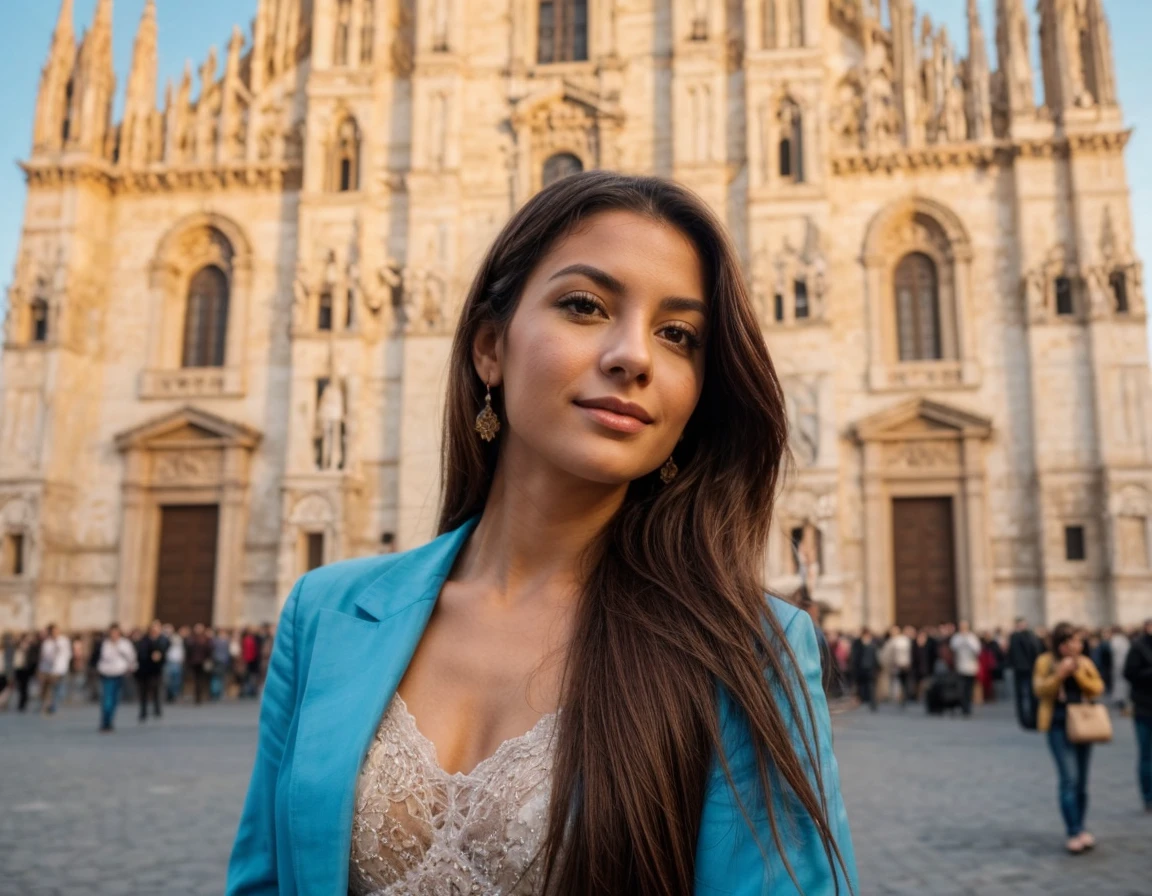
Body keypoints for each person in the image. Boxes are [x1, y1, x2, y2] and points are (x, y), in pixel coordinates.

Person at [226, 173, 857, 895]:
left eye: (677, 334)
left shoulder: (744, 653)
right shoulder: (327, 615)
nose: (634, 356)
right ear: (489, 348)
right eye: (585, 306)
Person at [1033, 622, 1105, 854]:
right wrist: (1058, 675)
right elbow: (1039, 690)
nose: (1080, 644)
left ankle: (1082, 827)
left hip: (1083, 724)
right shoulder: (1044, 662)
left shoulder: (1084, 662)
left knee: (1082, 782)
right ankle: (1073, 831)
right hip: (1057, 724)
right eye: (1075, 641)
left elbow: (1097, 688)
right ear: (1062, 645)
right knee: (1069, 779)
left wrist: (1077, 675)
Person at [1122, 618, 1152, 812]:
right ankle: (1149, 797)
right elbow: (1129, 673)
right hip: (1144, 707)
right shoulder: (1138, 646)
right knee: (1146, 755)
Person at [97, 624, 138, 732]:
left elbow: (131, 657)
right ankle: (105, 722)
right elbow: (99, 657)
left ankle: (109, 721)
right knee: (107, 699)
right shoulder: (104, 644)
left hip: (119, 673)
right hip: (106, 673)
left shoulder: (125, 644)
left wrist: (131, 669)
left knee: (114, 699)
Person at [1008, 617, 1043, 729]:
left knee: (1024, 695)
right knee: (1028, 694)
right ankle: (1030, 718)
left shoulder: (1016, 637)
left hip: (1023, 669)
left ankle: (1028, 718)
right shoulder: (1027, 636)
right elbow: (1035, 650)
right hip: (1028, 668)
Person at [135, 620, 168, 722]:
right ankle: (143, 711)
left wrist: (160, 656)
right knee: (144, 691)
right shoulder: (144, 640)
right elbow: (140, 654)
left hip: (156, 670)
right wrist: (150, 656)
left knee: (156, 690)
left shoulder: (162, 640)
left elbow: (165, 652)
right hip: (145, 669)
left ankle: (157, 709)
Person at [37, 623, 71, 716]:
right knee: (48, 689)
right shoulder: (47, 642)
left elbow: (68, 653)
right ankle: (48, 705)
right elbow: (44, 656)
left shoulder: (64, 641)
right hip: (48, 670)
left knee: (58, 689)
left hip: (60, 669)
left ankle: (53, 706)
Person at [950, 620, 981, 716]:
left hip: (971, 667)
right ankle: (963, 707)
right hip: (960, 667)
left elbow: (977, 649)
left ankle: (968, 707)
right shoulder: (957, 637)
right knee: (961, 688)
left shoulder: (972, 637)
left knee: (969, 688)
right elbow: (953, 647)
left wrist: (967, 641)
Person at [880, 625, 912, 707]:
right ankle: (895, 697)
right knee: (894, 682)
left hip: (901, 664)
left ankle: (901, 697)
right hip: (893, 665)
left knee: (900, 682)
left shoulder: (902, 640)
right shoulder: (891, 641)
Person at [165, 625, 185, 702]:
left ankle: (174, 695)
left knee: (176, 680)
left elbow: (181, 650)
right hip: (169, 661)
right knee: (168, 680)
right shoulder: (164, 639)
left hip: (176, 661)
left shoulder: (176, 638)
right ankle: (169, 695)